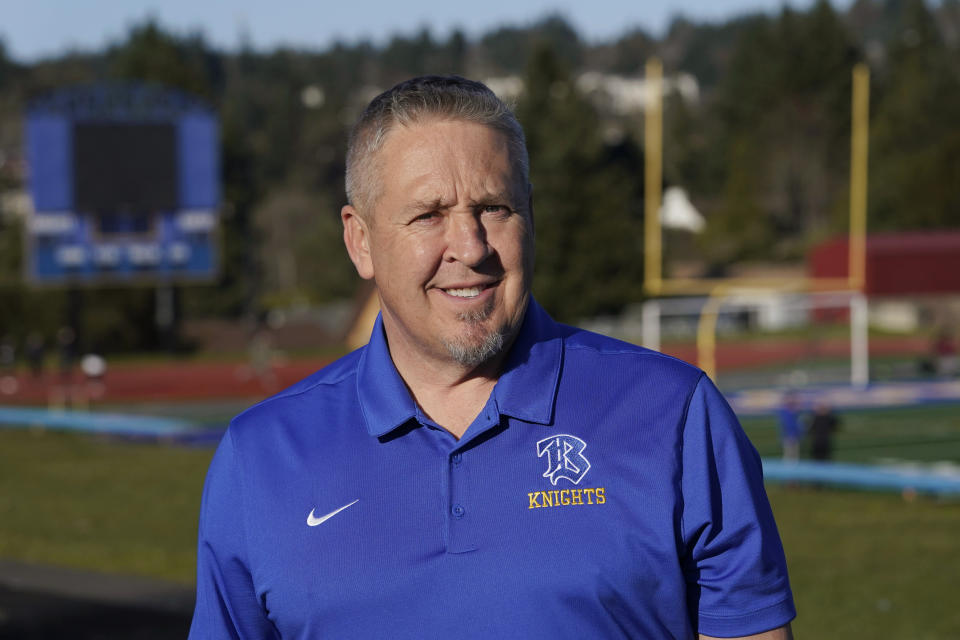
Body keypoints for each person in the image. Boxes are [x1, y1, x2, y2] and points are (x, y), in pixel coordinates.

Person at [190, 76, 795, 639]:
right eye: (429, 215)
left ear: (531, 215)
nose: (470, 247)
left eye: (494, 209)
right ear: (361, 240)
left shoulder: (674, 415)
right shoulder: (260, 458)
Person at [776, 391, 802, 462]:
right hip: (788, 436)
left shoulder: (795, 411)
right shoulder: (785, 412)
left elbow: (798, 425)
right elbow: (784, 425)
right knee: (788, 456)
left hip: (795, 435)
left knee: (795, 456)